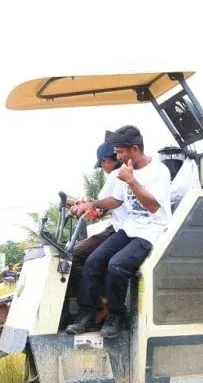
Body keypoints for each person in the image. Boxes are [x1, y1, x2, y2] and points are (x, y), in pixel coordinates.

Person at [66, 125, 172, 337]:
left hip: (152, 230)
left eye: (121, 151)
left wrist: (131, 180)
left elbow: (153, 206)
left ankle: (116, 315)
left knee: (117, 265)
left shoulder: (159, 171)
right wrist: (92, 203)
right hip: (129, 228)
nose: (117, 156)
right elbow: (116, 200)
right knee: (93, 261)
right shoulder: (122, 172)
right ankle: (87, 314)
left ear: (134, 149)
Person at [71, 141, 123, 261]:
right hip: (121, 227)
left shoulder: (115, 175)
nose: (103, 168)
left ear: (106, 160)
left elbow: (97, 212)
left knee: (74, 252)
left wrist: (75, 209)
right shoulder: (129, 172)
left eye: (101, 165)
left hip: (118, 229)